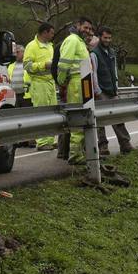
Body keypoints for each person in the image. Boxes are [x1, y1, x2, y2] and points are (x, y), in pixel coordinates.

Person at [55, 17, 94, 165]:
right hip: (77, 82)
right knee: (78, 118)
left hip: (84, 81)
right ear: (77, 25)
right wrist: (61, 80)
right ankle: (75, 155)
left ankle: (79, 152)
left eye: (90, 29)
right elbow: (64, 63)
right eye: (85, 27)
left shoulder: (79, 41)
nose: (88, 31)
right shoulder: (72, 40)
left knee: (83, 117)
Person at [94, 26, 132, 155]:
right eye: (105, 37)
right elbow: (93, 74)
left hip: (112, 91)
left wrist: (116, 88)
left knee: (118, 117)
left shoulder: (112, 52)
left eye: (110, 38)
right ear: (100, 37)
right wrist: (97, 91)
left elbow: (114, 71)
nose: (108, 40)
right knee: (100, 121)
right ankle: (103, 146)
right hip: (101, 92)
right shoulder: (94, 54)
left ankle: (125, 144)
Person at [22, 23, 56, 150]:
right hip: (39, 83)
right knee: (42, 113)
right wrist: (44, 65)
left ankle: (50, 140)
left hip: (50, 83)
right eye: (51, 33)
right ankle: (41, 143)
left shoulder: (50, 46)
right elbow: (27, 66)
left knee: (52, 113)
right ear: (45, 32)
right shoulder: (32, 46)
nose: (53, 35)